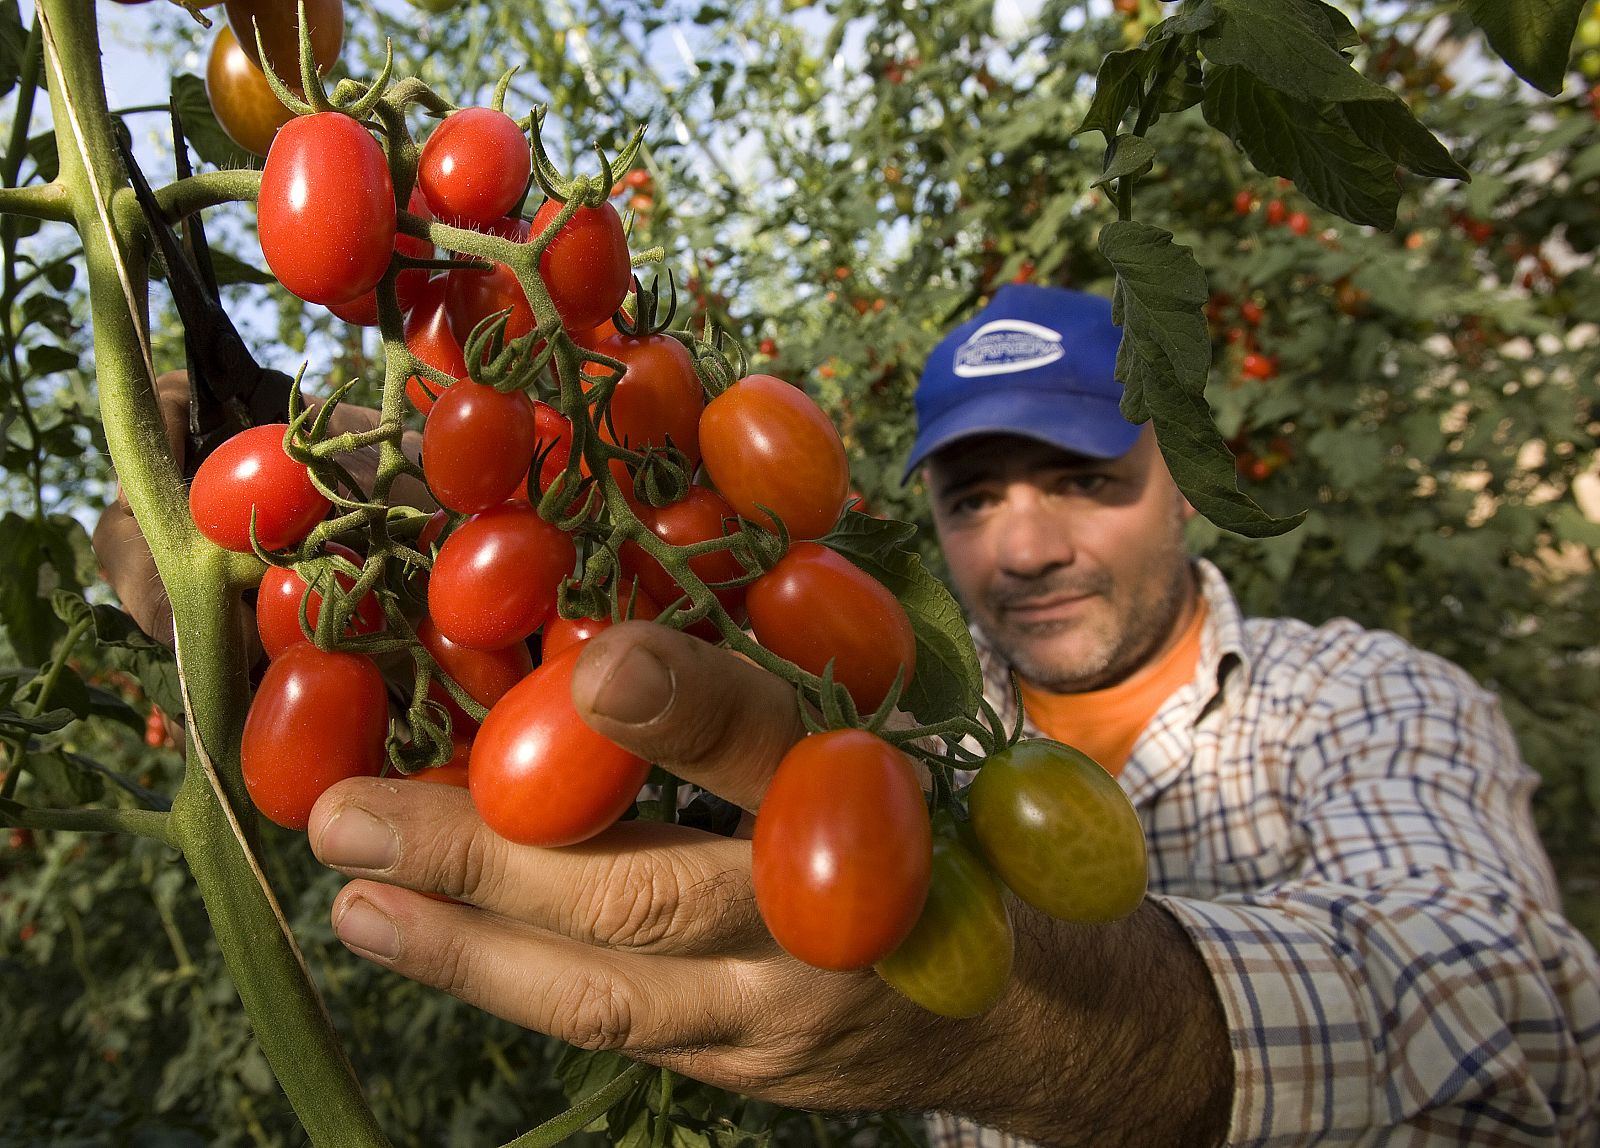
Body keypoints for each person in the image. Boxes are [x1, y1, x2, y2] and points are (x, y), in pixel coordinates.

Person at [95, 288, 1600, 1146]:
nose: (1026, 544)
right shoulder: (903, 717)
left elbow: (1522, 1026)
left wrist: (1051, 1021)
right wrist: (337, 560)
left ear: (1178, 480)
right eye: (975, 494)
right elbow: (569, 671)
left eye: (1084, 478)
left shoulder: (1363, 699)